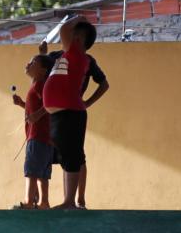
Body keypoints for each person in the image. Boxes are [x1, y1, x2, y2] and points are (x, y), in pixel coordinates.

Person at [39, 34, 109, 209]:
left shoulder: (86, 60)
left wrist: (88, 102)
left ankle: (79, 200)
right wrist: (43, 53)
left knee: (77, 156)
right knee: (67, 156)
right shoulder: (55, 56)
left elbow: (104, 84)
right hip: (56, 113)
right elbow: (43, 73)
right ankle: (68, 200)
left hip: (72, 110)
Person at [12, 54, 55, 210]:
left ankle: (29, 201)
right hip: (45, 138)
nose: (28, 64)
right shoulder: (37, 84)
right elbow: (35, 109)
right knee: (42, 173)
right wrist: (22, 104)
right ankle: (44, 202)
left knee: (31, 170)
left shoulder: (40, 85)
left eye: (33, 62)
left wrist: (36, 115)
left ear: (43, 70)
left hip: (37, 136)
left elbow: (50, 104)